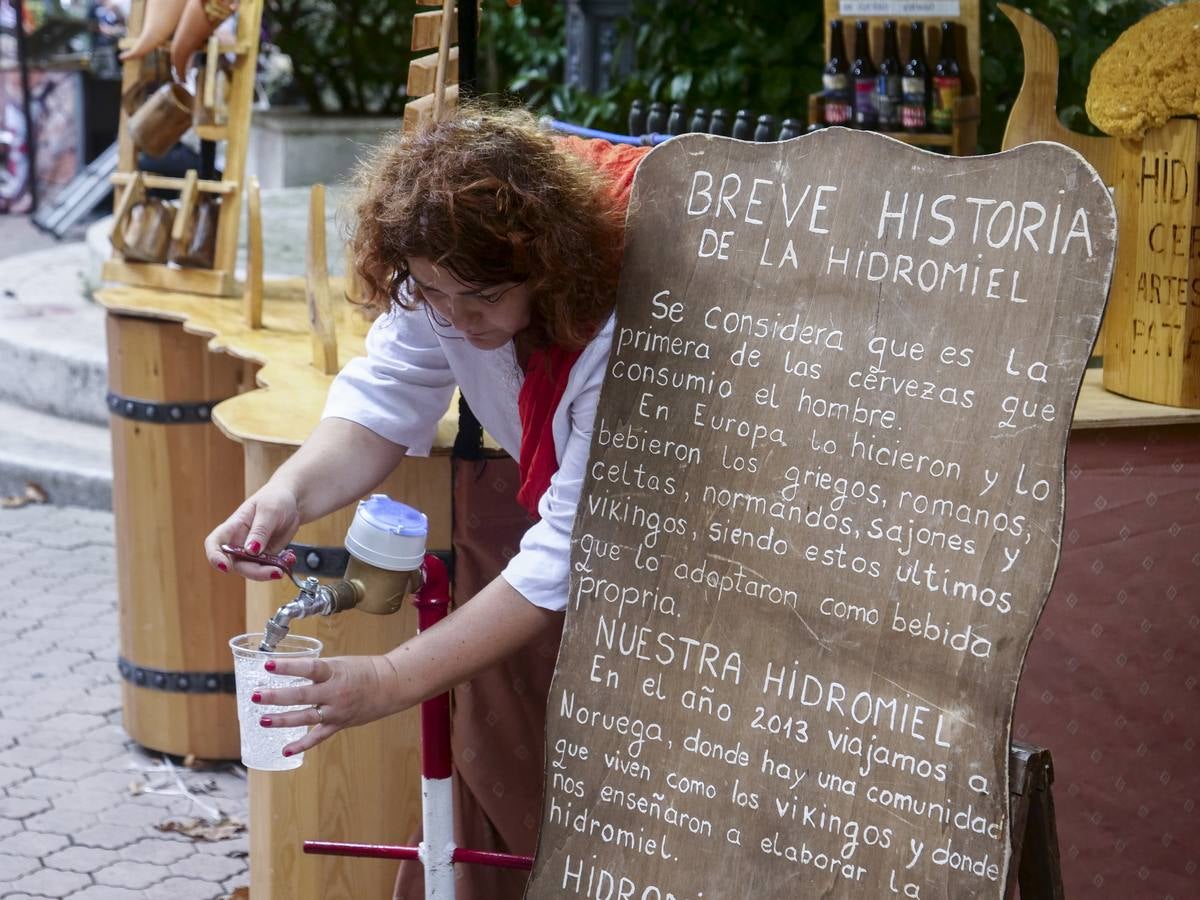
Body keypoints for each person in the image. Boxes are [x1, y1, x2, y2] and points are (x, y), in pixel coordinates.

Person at [204, 105, 650, 898]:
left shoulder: (621, 327)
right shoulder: (436, 278)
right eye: (433, 291)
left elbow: (562, 558)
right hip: (586, 534)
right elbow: (385, 399)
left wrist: (387, 680)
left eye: (479, 298)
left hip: (686, 555)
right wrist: (286, 494)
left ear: (550, 267)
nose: (454, 317)